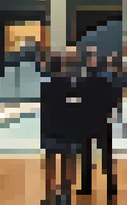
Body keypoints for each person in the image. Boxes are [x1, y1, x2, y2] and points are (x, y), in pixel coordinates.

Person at [40, 49, 81, 205]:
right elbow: (75, 104)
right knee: (67, 160)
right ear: (62, 66)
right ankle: (65, 192)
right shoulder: (69, 84)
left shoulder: (44, 86)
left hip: (49, 127)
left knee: (50, 161)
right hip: (66, 127)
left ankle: (49, 192)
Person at [76, 53, 117, 198]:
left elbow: (77, 101)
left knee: (86, 156)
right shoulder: (107, 81)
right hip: (102, 121)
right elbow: (114, 102)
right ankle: (111, 186)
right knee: (107, 155)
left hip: (87, 121)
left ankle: (87, 187)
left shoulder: (81, 81)